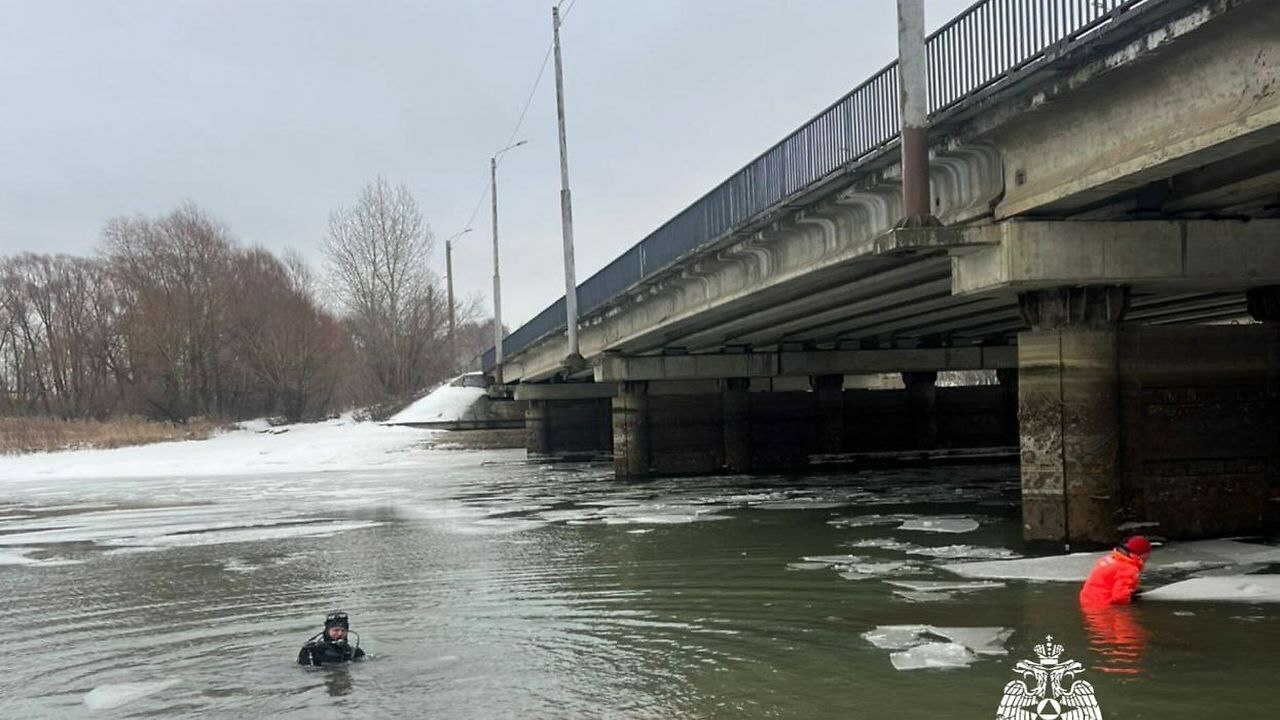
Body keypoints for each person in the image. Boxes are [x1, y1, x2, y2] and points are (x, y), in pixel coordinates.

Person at [1079, 535, 1152, 606]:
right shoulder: (1128, 568)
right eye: (1148, 553)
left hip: (1087, 599)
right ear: (1142, 554)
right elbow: (1119, 597)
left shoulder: (1111, 558)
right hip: (1102, 605)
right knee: (1124, 617)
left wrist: (1130, 592)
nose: (1149, 556)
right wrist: (1130, 599)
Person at [298, 610, 366, 666]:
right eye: (336, 630)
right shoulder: (311, 651)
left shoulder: (355, 652)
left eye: (343, 630)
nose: (340, 633)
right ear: (327, 631)